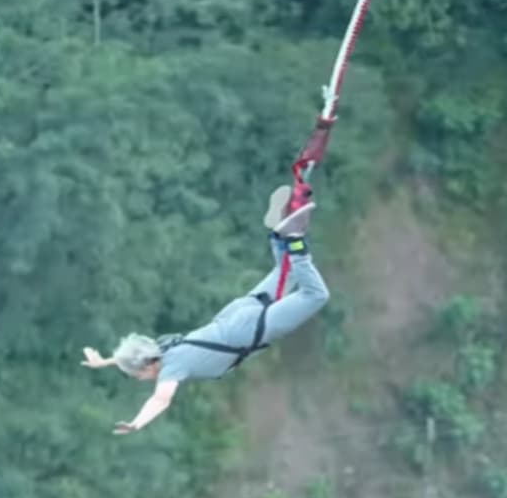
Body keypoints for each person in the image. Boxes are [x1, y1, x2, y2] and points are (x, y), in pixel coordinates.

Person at [81, 183, 329, 435]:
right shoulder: (164, 347)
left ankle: (294, 240)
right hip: (237, 314)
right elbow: (135, 356)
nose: (140, 380)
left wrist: (137, 423)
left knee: (315, 294)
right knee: (285, 274)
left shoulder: (172, 366)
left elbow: (160, 400)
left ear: (147, 366)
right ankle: (279, 235)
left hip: (248, 330)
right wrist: (105, 362)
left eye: (138, 376)